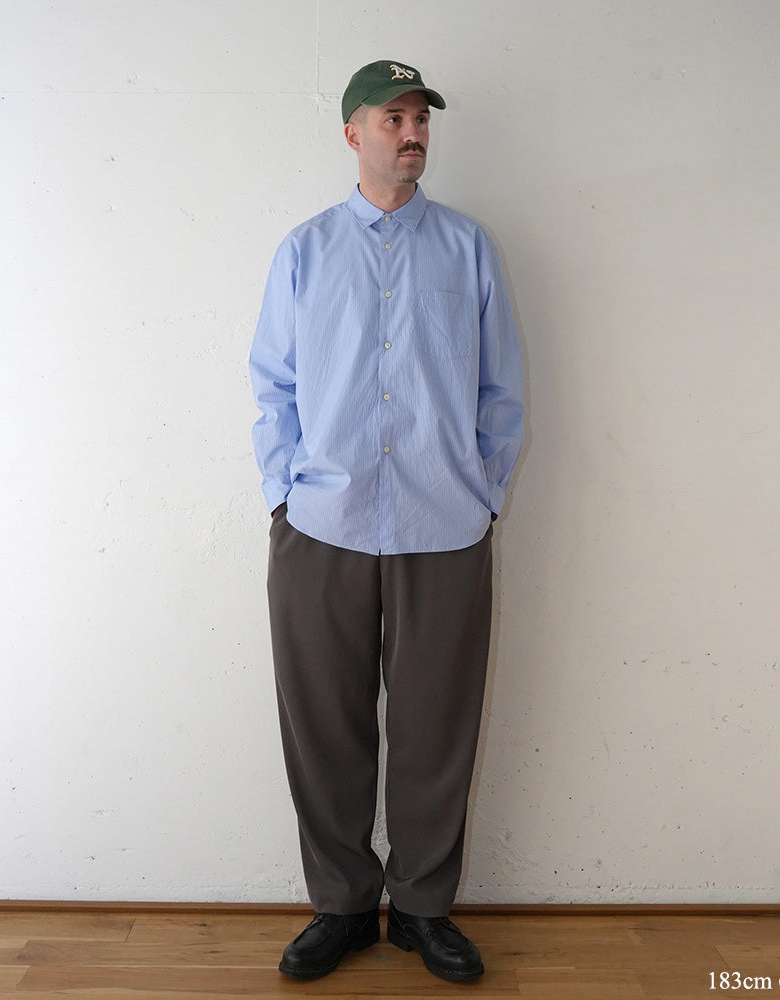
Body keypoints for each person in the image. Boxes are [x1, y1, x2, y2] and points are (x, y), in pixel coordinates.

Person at [249, 59, 524, 983]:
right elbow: (273, 384)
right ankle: (341, 906)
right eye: (392, 118)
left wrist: (483, 494)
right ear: (352, 133)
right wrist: (285, 492)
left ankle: (421, 909)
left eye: (420, 119)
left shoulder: (468, 249)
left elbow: (500, 390)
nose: (412, 134)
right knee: (323, 724)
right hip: (320, 523)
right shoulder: (305, 250)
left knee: (436, 729)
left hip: (444, 526)